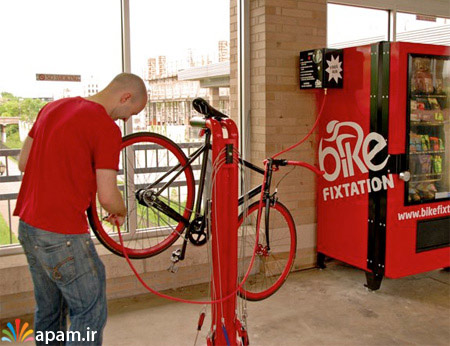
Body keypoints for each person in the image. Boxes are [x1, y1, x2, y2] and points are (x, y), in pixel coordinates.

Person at [13, 73, 147, 345]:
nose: (122, 120)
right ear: (125, 97)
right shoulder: (106, 128)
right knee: (89, 312)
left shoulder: (52, 107)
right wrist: (120, 210)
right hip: (62, 234)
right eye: (128, 113)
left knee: (50, 311)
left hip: (29, 228)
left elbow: (23, 162)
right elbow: (108, 196)